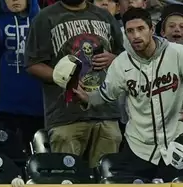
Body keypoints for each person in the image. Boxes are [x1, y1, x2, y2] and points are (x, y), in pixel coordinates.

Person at [74, 7, 183, 182]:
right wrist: (87, 98)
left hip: (177, 143)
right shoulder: (121, 63)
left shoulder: (177, 53)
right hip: (139, 147)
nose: (136, 35)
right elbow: (106, 95)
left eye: (141, 29)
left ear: (152, 30)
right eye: (130, 31)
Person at [25, 0, 124, 168]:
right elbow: (33, 64)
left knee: (106, 185)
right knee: (67, 181)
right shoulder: (45, 18)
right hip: (66, 116)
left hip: (106, 114)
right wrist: (62, 77)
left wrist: (114, 59)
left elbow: (124, 57)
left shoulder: (105, 16)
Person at [0, 0, 44, 147]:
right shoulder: (0, 23)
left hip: (38, 103)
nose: (15, 1)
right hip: (8, 103)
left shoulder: (42, 21)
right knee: (10, 154)